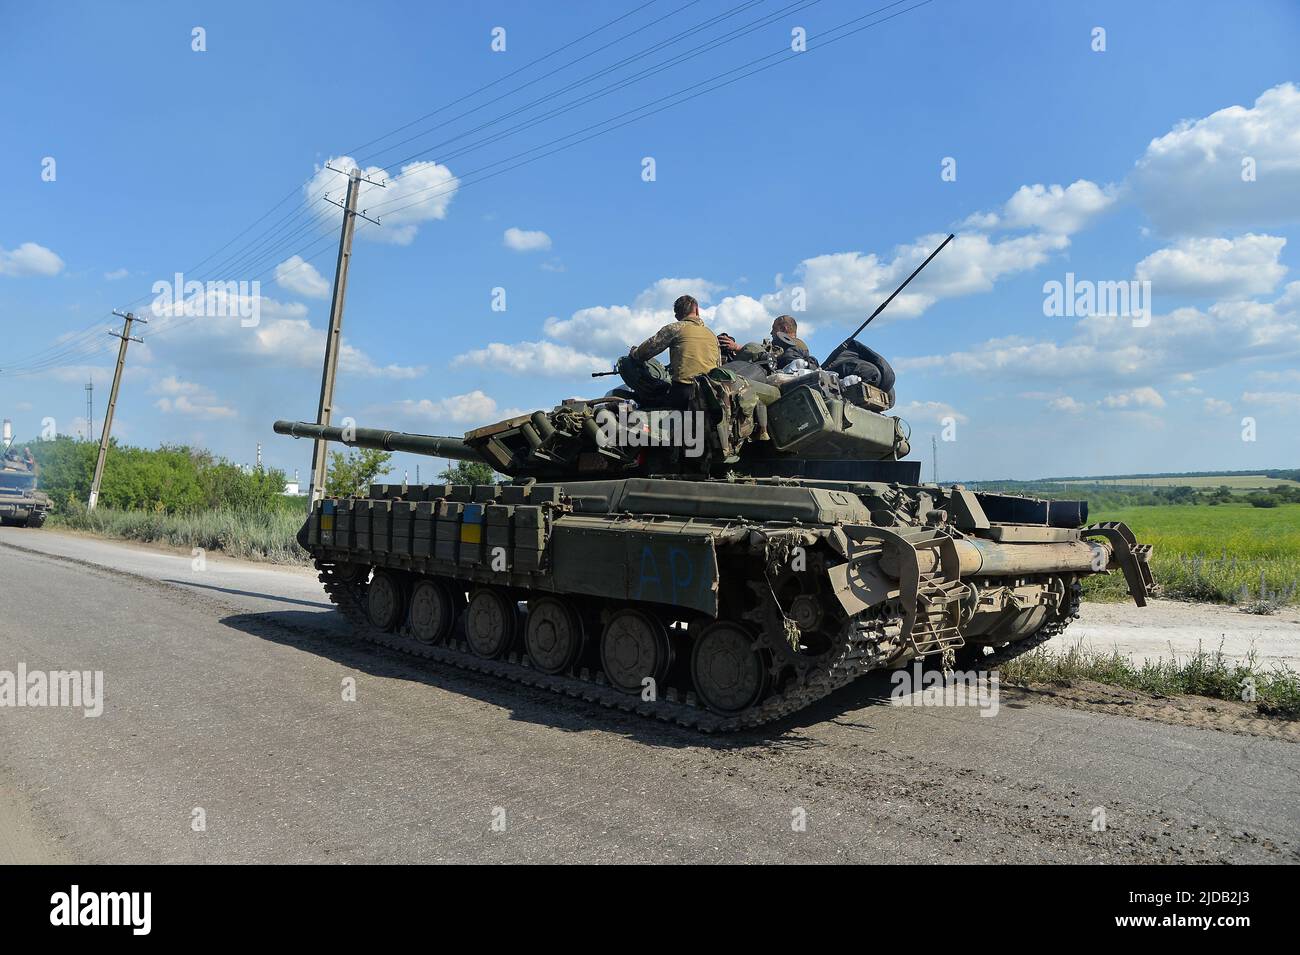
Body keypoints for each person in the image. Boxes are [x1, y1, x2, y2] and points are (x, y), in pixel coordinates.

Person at [628, 294, 720, 408]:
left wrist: (634, 352)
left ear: (677, 315)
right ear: (697, 310)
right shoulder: (712, 335)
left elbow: (645, 352)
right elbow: (718, 365)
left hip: (684, 393)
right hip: (711, 396)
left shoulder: (675, 328)